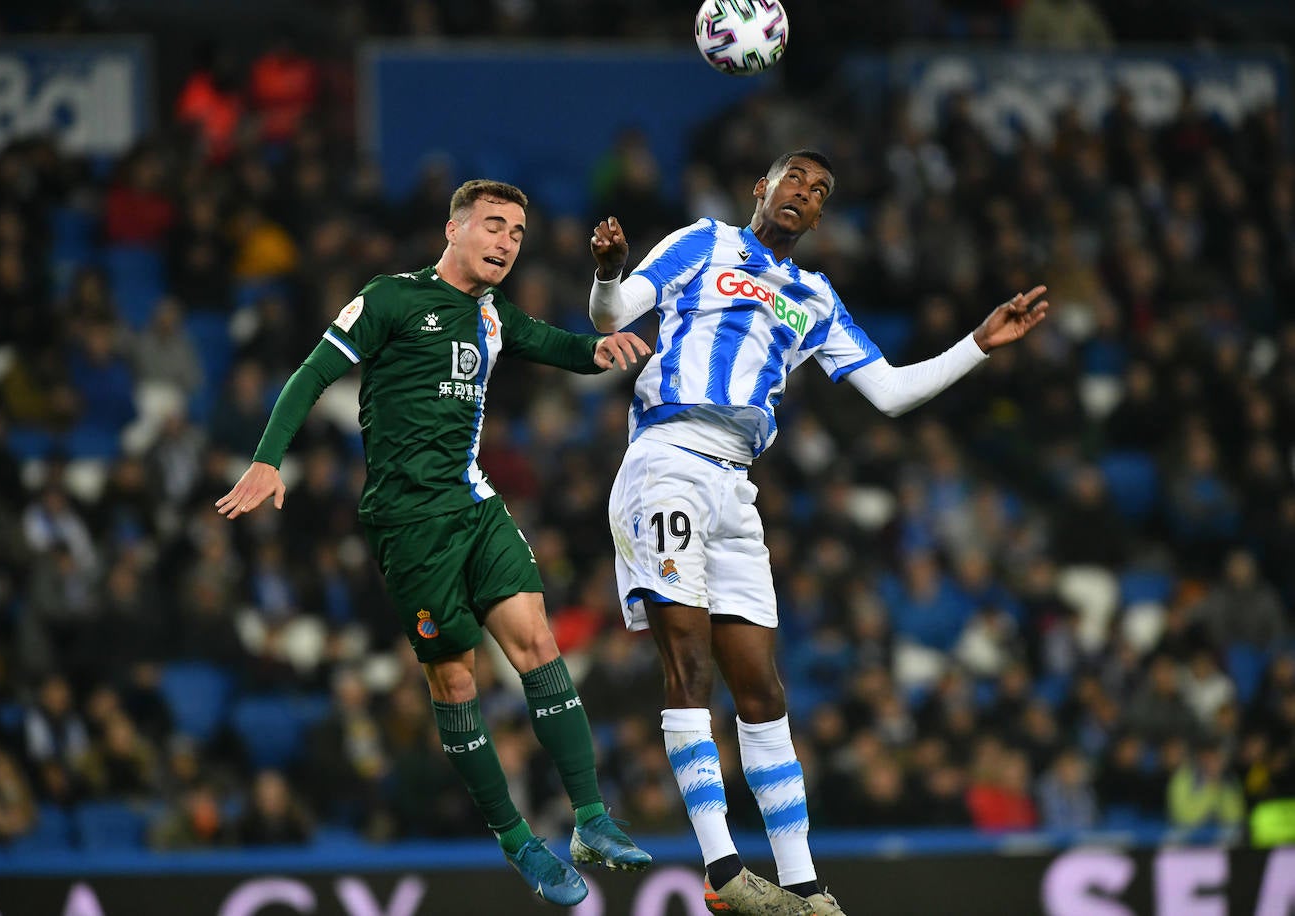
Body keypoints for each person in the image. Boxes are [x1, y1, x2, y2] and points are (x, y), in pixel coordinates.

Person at [588, 150, 1049, 916]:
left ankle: (803, 886)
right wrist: (608, 271)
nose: (806, 192)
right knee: (690, 665)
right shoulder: (701, 241)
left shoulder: (815, 296)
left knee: (764, 690)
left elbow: (892, 393)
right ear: (759, 188)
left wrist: (975, 344)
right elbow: (611, 316)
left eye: (822, 191)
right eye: (795, 178)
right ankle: (723, 867)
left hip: (737, 487)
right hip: (666, 459)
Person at [216, 179, 653, 906]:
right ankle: (517, 840)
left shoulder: (492, 314)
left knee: (537, 643)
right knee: (455, 683)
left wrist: (602, 347)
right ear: (453, 231)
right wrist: (267, 458)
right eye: (492, 226)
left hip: (472, 502)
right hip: (407, 525)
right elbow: (311, 373)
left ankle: (590, 817)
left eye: (517, 232)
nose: (506, 242)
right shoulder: (389, 299)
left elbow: (558, 346)